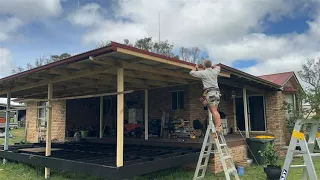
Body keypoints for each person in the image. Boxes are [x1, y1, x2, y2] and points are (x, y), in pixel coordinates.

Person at [189, 60, 222, 134]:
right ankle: (217, 125)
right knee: (205, 103)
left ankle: (219, 127)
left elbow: (191, 73)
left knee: (214, 111)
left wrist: (196, 67)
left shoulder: (203, 73)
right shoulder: (215, 71)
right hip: (216, 93)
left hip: (211, 93)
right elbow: (218, 67)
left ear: (204, 66)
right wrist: (211, 66)